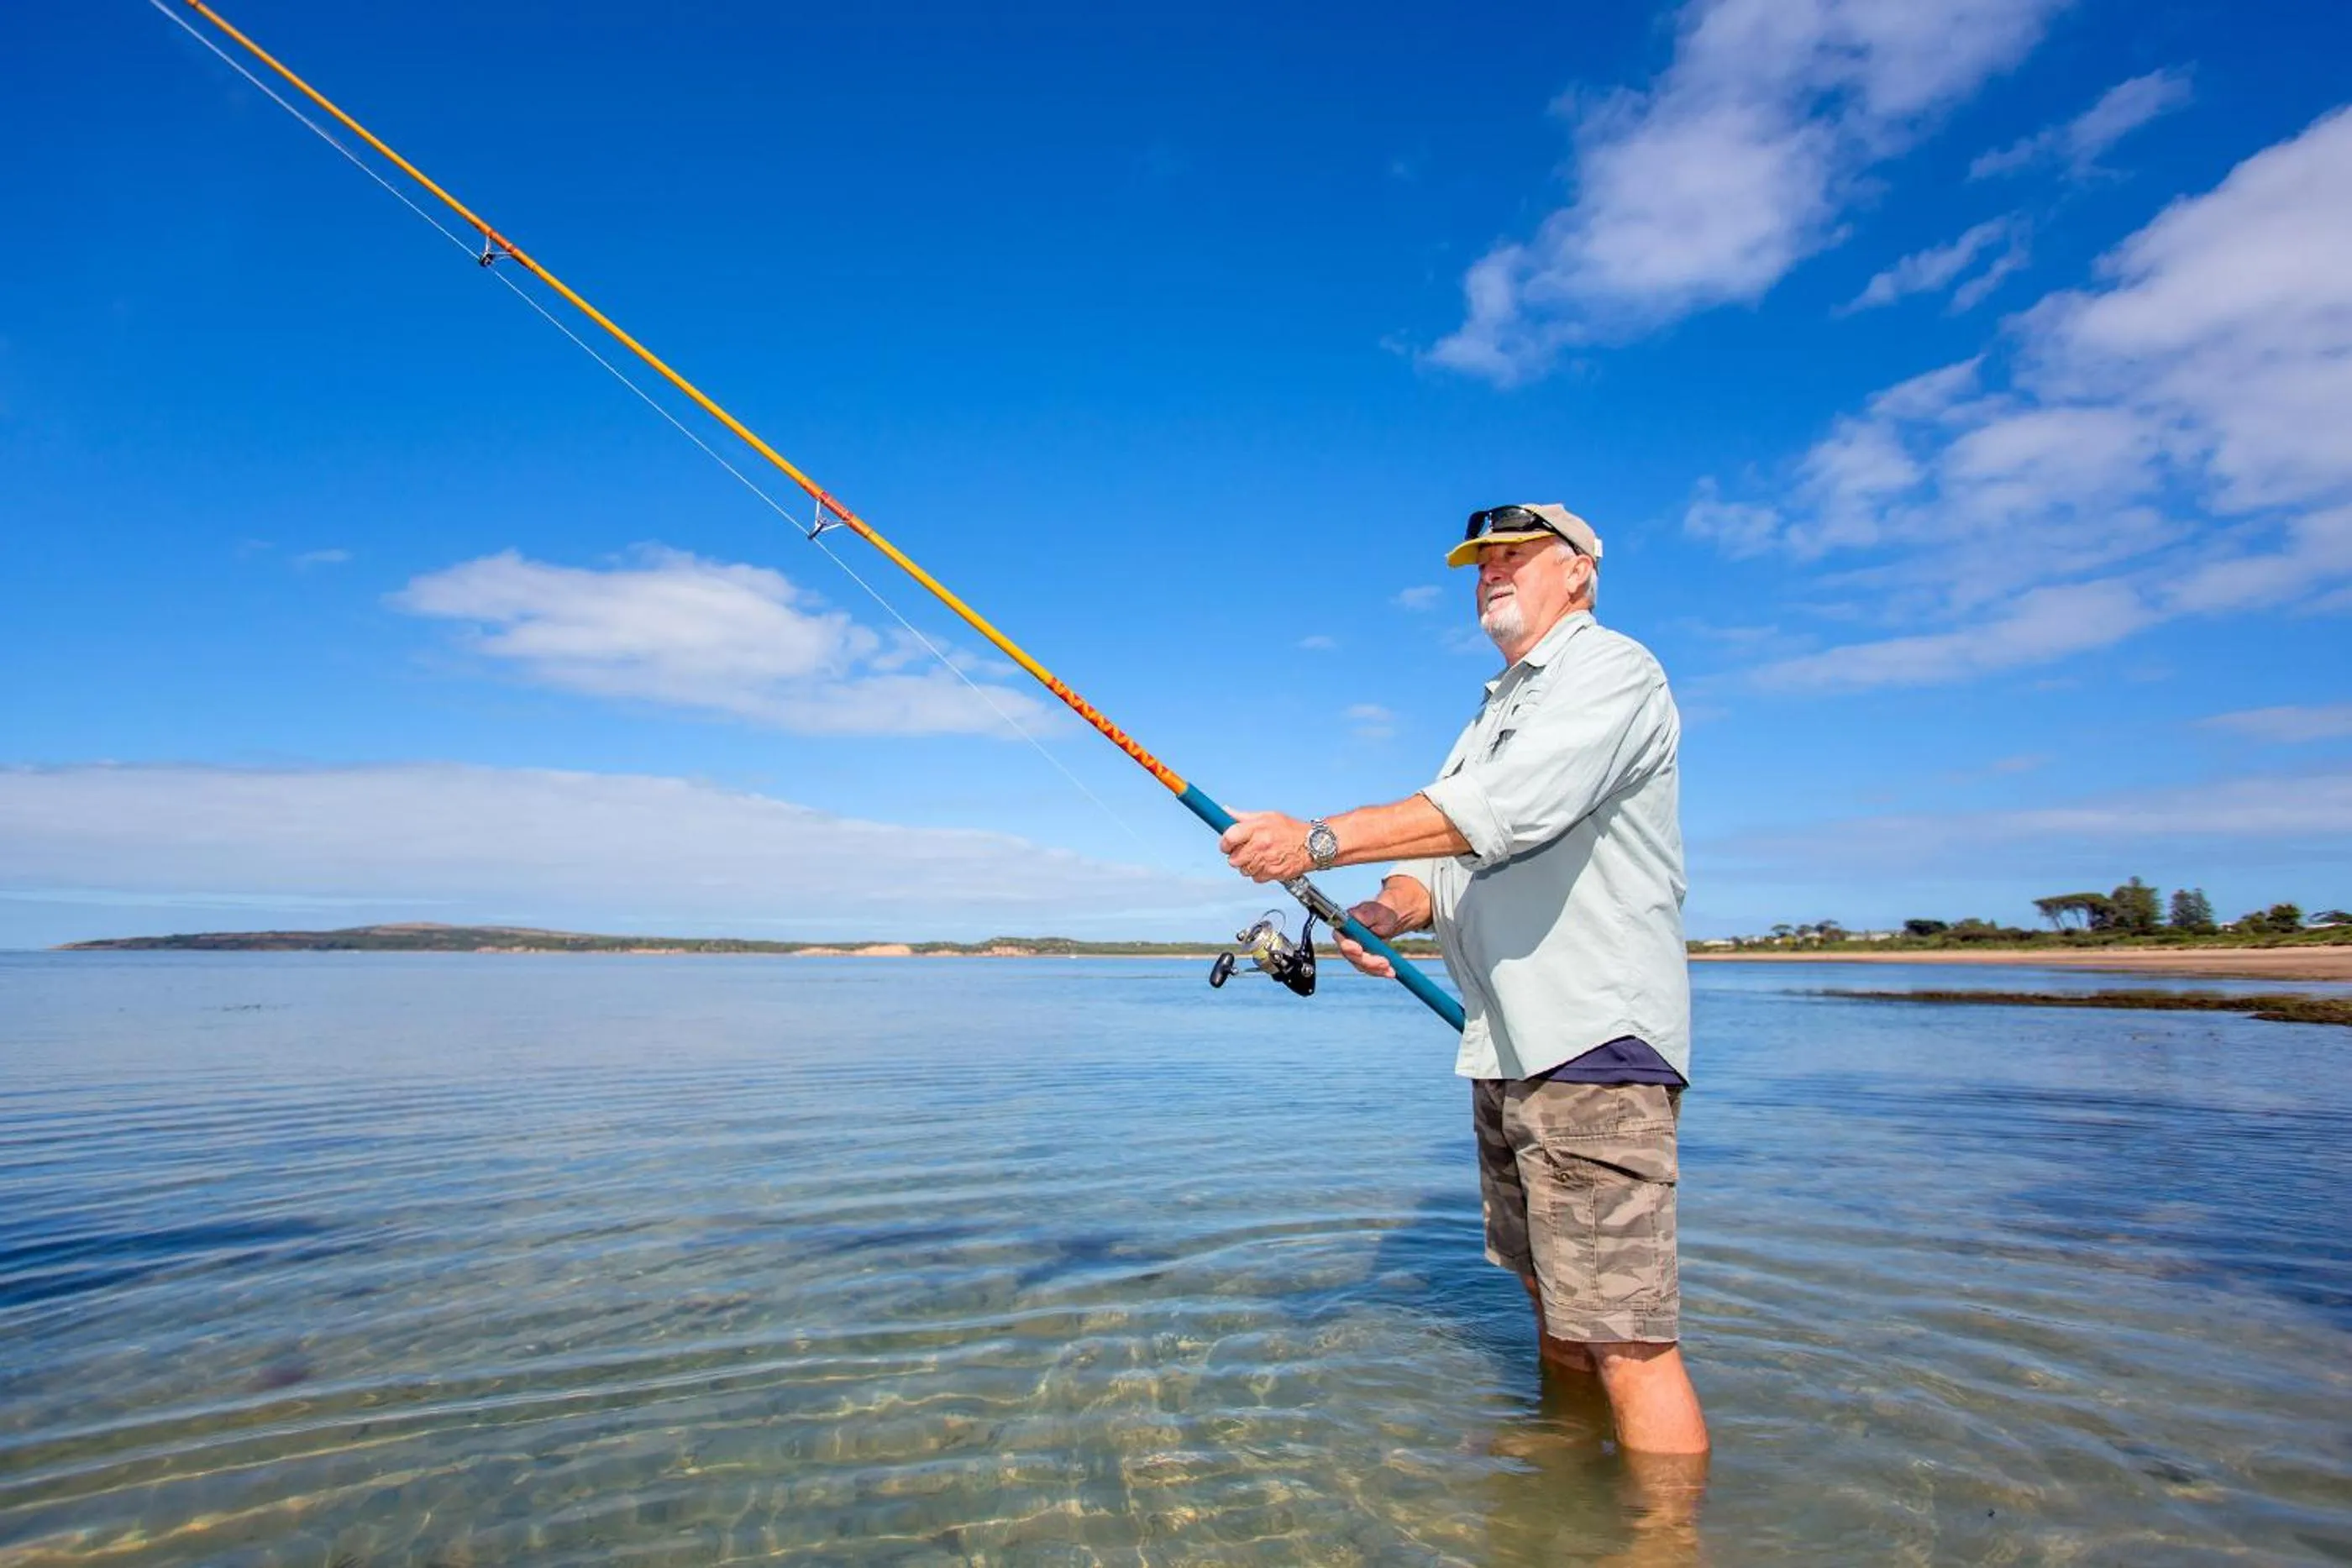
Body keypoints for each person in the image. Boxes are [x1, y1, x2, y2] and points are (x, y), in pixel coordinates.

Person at [1218, 501, 1707, 1456]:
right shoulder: (1492, 711)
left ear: (1578, 572)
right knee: (1556, 1303)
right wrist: (1384, 913)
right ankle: (1562, 1480)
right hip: (1509, 1045)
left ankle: (1663, 1541)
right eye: (1482, 560)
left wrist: (1315, 839)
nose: (1492, 571)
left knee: (1628, 1337)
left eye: (1516, 555)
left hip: (1594, 1043)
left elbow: (1505, 810)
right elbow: (1444, 862)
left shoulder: (1613, 671)